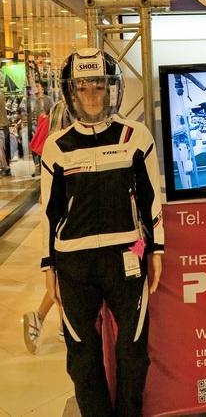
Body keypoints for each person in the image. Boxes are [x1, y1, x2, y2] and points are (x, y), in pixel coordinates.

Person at [41, 47, 164, 417]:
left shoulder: (135, 136)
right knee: (81, 355)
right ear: (72, 92)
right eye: (83, 87)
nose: (92, 94)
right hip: (73, 265)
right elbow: (49, 212)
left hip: (129, 255)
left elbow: (151, 198)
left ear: (112, 89)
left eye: (99, 85)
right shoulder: (56, 147)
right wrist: (49, 265)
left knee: (133, 351)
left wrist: (155, 249)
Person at [23, 100, 73, 354]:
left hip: (59, 221)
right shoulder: (66, 144)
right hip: (67, 221)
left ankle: (50, 321)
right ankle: (46, 320)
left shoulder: (53, 146)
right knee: (65, 274)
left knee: (64, 274)